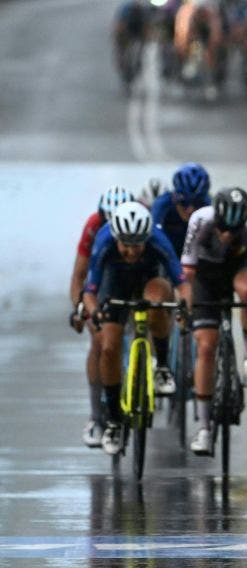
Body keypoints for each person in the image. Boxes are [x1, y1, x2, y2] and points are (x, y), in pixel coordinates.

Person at [82, 201, 190, 455]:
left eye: (137, 245)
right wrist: (94, 311)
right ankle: (114, 420)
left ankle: (162, 366)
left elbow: (182, 284)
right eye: (125, 245)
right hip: (114, 283)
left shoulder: (158, 240)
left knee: (157, 303)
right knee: (108, 348)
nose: (131, 252)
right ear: (116, 238)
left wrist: (185, 307)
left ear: (147, 238)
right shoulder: (104, 241)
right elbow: (90, 291)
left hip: (150, 279)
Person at [182, 187, 247, 455]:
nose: (226, 235)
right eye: (223, 228)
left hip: (237, 269)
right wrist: (184, 308)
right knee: (206, 347)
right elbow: (186, 274)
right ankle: (204, 428)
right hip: (205, 276)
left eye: (233, 232)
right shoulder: (200, 220)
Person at [69, 185, 136, 447]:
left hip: (131, 277)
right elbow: (79, 276)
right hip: (102, 281)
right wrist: (79, 308)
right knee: (99, 341)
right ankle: (96, 416)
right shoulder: (93, 226)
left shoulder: (138, 225)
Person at [151, 162, 212, 257]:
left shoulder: (210, 206)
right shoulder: (162, 204)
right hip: (168, 252)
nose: (190, 210)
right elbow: (155, 232)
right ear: (175, 196)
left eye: (197, 203)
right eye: (184, 202)